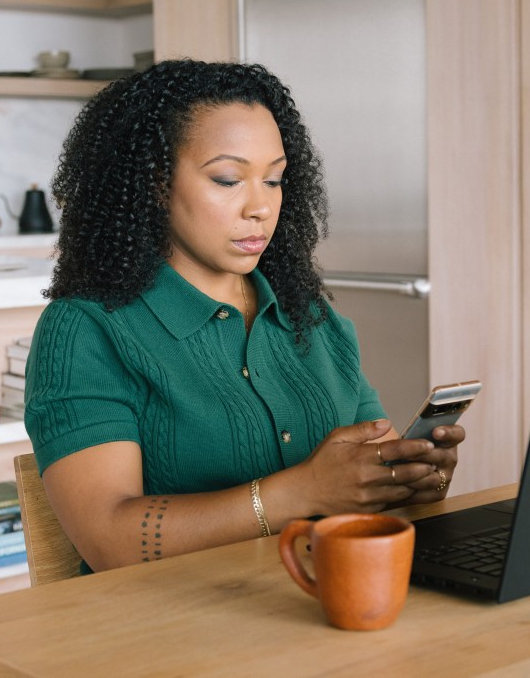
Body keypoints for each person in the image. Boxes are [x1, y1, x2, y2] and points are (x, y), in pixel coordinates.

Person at [24, 59, 464, 573]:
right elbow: (110, 541)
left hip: (315, 607)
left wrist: (411, 475)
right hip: (167, 635)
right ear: (153, 182)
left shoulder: (310, 316)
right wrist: (298, 493)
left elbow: (372, 483)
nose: (260, 207)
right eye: (229, 179)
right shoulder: (86, 330)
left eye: (274, 181)